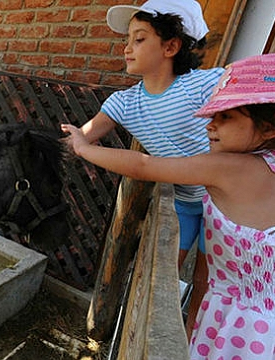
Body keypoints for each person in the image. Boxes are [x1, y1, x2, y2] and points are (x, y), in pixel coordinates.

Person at [62, 52, 275, 359]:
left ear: (272, 127)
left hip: (242, 329)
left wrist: (84, 147)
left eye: (225, 116)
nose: (210, 126)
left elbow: (143, 164)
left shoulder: (227, 167)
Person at [82, 0, 224, 337]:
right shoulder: (124, 103)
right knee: (161, 272)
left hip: (224, 203)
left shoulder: (205, 85)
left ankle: (194, 337)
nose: (127, 48)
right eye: (127, 39)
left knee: (207, 282)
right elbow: (86, 135)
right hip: (183, 204)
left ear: (172, 46)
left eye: (140, 38)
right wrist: (76, 138)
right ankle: (145, 337)